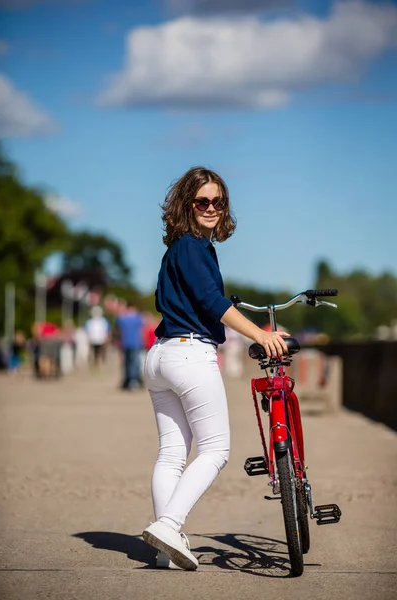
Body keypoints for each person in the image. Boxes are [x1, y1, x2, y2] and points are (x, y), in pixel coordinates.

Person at [142, 166, 289, 571]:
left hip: (160, 356)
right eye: (202, 201)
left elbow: (171, 302)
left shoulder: (175, 251)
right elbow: (211, 303)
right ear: (186, 204)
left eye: (218, 202)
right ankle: (170, 525)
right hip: (189, 355)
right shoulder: (192, 247)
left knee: (172, 454)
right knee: (215, 449)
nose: (211, 208)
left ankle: (162, 548)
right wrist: (260, 334)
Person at [115, 303, 144, 389]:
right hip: (135, 343)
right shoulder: (137, 318)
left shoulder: (122, 318)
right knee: (134, 363)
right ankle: (133, 380)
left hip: (126, 343)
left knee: (127, 363)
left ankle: (128, 380)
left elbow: (117, 326)